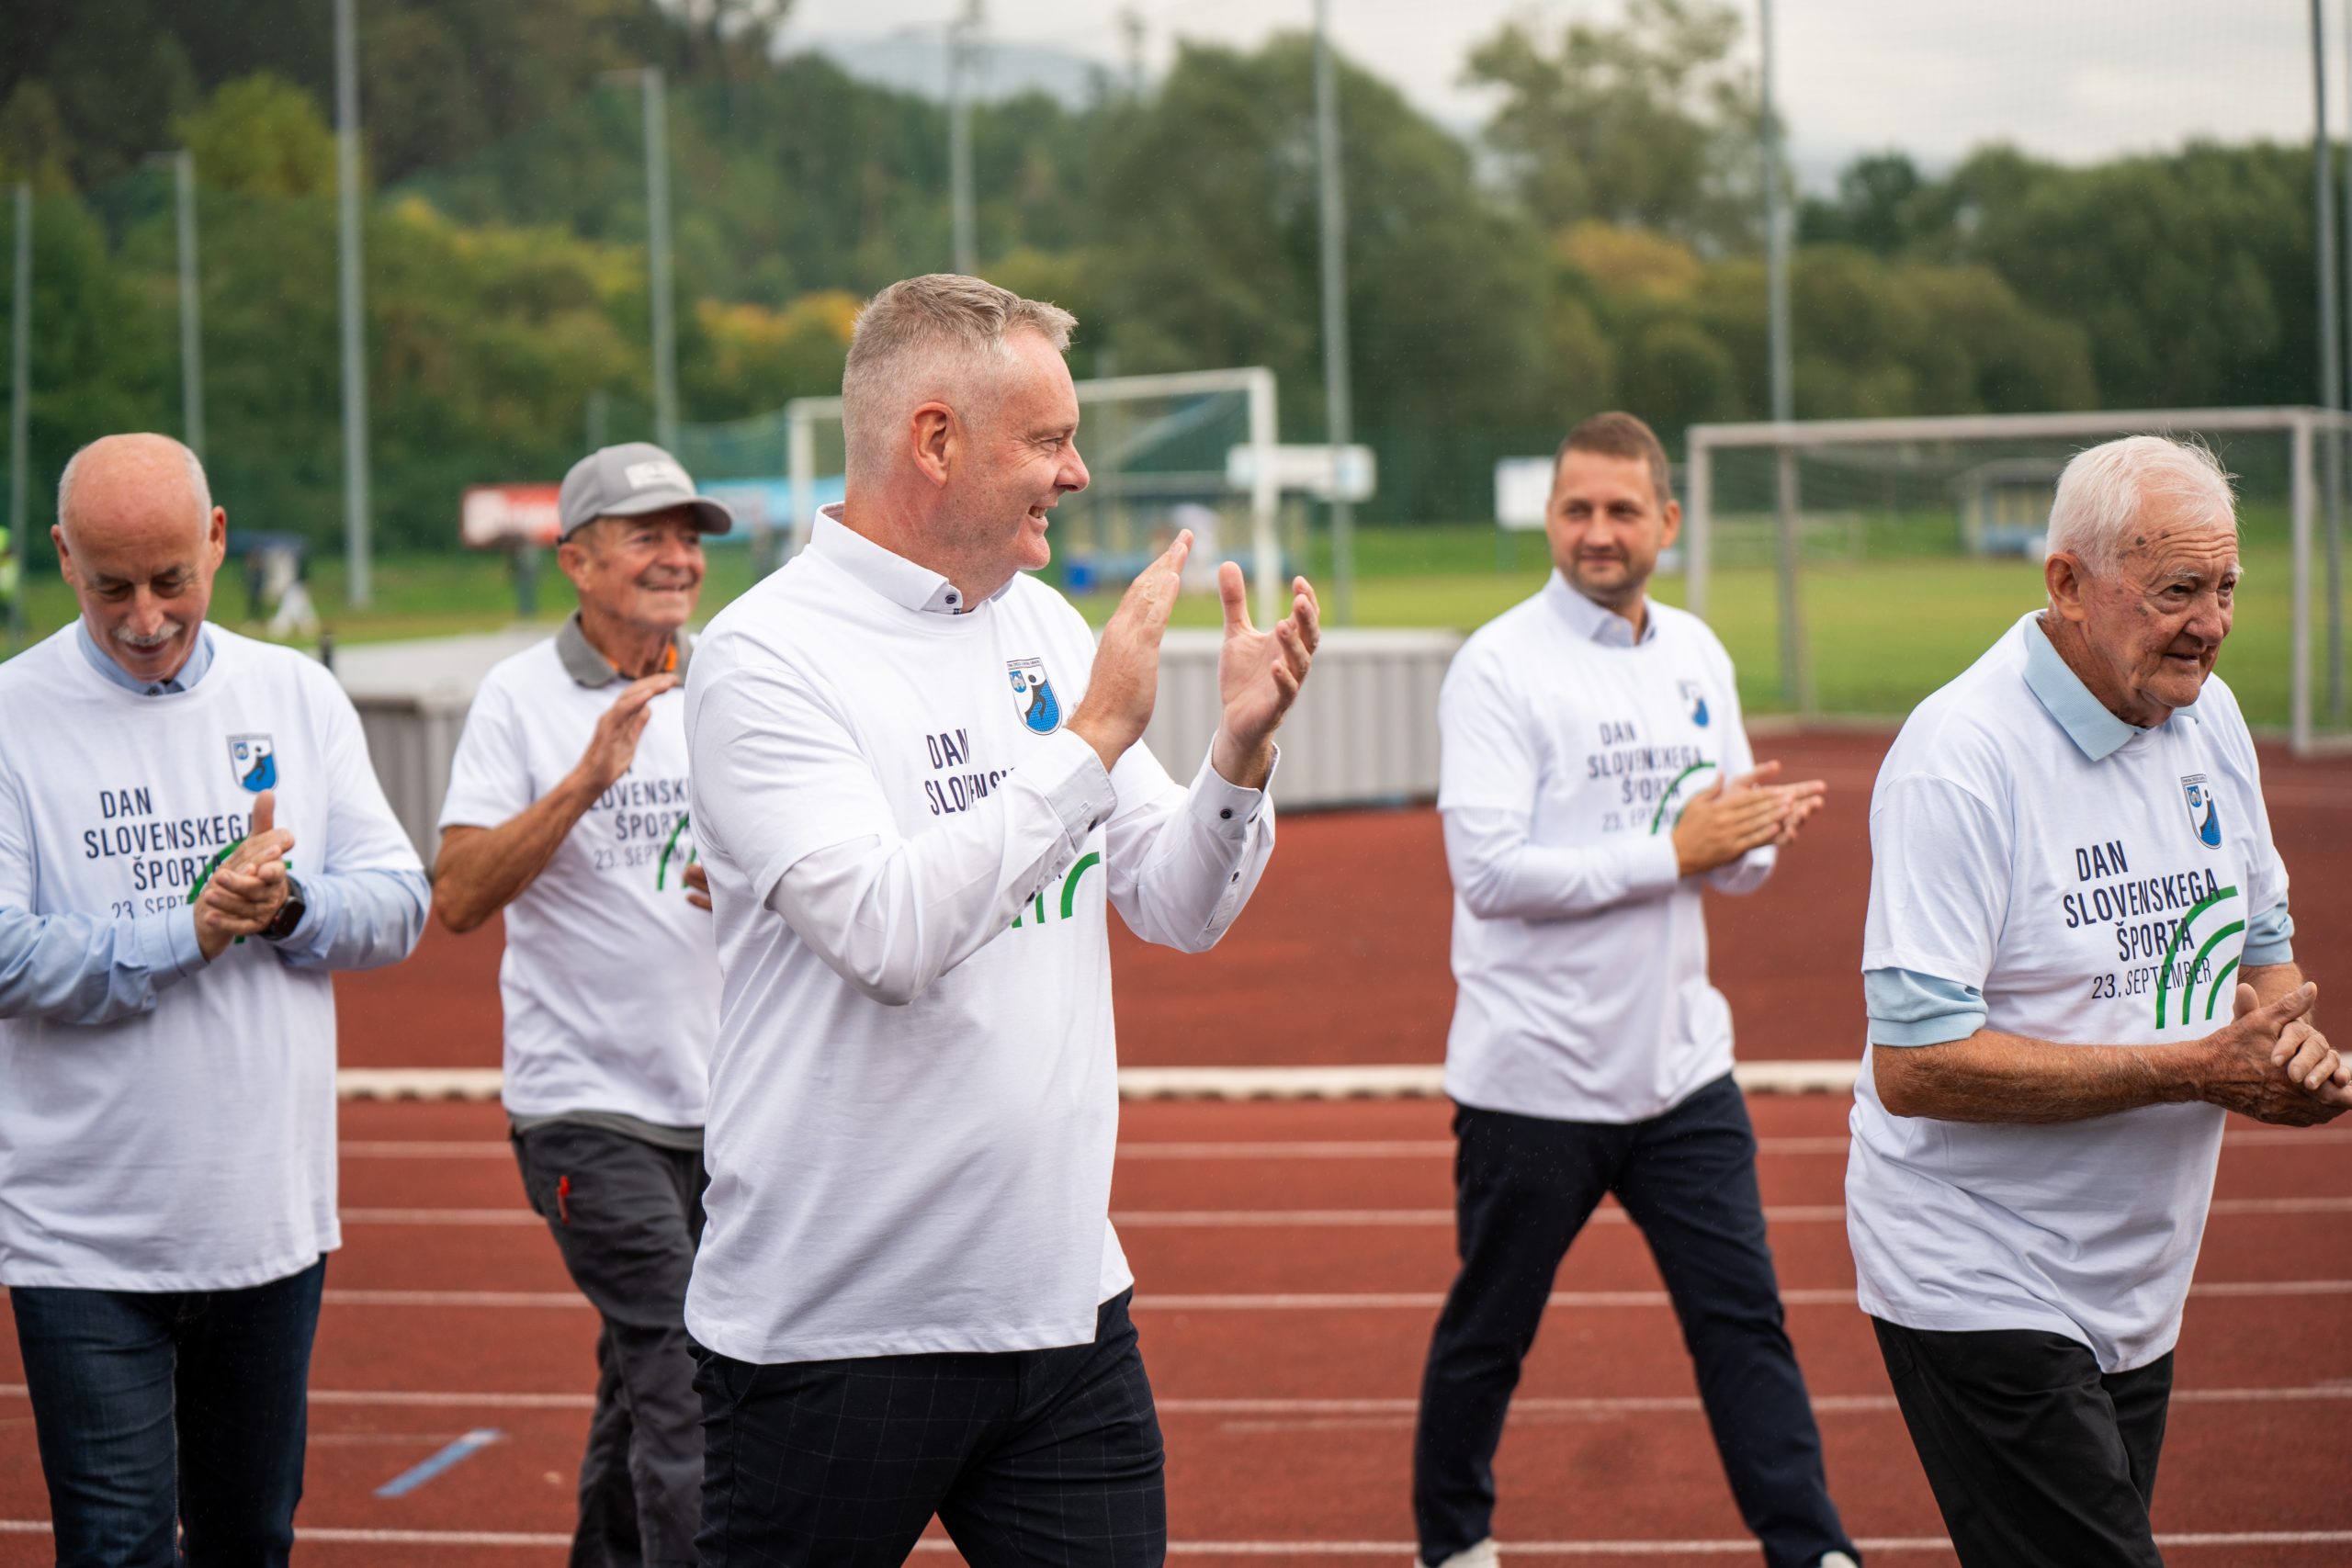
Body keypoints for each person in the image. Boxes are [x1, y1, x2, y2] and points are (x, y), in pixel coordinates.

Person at [681, 273, 1319, 1566]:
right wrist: (1088, 743)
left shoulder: (1039, 622)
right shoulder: (764, 658)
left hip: (1062, 1311)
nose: (1076, 472)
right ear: (935, 439)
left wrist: (1238, 756)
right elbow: (887, 935)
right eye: (1048, 440)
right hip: (835, 1331)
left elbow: (1176, 902)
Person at [1849, 434, 2346, 1567]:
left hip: (2136, 1277)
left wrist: (2289, 1049)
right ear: (2067, 584)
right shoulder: (1959, 755)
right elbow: (1914, 1064)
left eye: (2226, 587)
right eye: (2176, 590)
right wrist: (2193, 1072)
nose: (2211, 624)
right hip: (1976, 1273)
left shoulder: (2208, 718)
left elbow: (2264, 948)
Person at [1410, 412, 1857, 1568]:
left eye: (1619, 510)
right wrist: (1677, 851)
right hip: (1534, 1082)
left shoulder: (1696, 652)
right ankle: (1453, 1543)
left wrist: (1751, 837)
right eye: (1576, 509)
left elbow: (1730, 863)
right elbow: (1489, 876)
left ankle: (1812, 1548)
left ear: (1667, 520)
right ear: (1549, 519)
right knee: (1490, 1334)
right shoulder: (1498, 666)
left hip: (1681, 1074)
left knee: (1743, 1324)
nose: (1596, 532)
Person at [0, 433, 427, 1564]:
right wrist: (187, 934)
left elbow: (400, 903)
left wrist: (288, 909)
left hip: (266, 1224)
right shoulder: (10, 715)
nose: (145, 618)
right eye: (110, 586)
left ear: (219, 540)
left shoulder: (296, 693)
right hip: (81, 1240)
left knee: (249, 1541)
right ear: (62, 556)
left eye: (170, 580)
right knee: (116, 1549)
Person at [432, 443, 733, 1568]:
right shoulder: (519, 699)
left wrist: (748, 880)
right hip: (587, 1112)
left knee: (643, 1374)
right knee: (688, 1375)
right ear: (575, 559)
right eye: (647, 535)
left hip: (727, 1107)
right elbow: (459, 894)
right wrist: (585, 780)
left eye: (688, 537)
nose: (677, 558)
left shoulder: (729, 682)